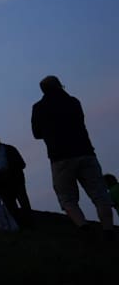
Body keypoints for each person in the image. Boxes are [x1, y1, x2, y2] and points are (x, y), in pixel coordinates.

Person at [31, 75, 114, 237]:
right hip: (85, 152)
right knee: (99, 194)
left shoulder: (39, 107)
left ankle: (83, 228)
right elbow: (80, 120)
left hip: (59, 157)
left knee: (67, 198)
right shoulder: (74, 102)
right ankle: (109, 230)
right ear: (60, 86)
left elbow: (36, 133)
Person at [0, 133, 30, 228]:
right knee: (11, 207)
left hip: (16, 181)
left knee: (24, 204)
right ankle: (21, 227)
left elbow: (22, 164)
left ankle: (30, 226)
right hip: (3, 184)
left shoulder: (10, 149)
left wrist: (8, 168)